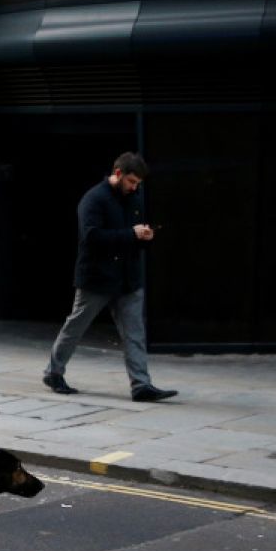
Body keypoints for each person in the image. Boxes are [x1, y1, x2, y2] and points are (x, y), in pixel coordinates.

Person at [43, 152, 177, 403]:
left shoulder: (134, 198)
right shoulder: (93, 199)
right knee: (76, 326)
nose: (135, 187)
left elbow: (133, 237)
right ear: (118, 174)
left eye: (138, 183)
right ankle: (53, 372)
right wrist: (131, 234)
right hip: (97, 278)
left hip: (128, 278)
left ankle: (141, 385)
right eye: (131, 182)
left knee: (135, 333)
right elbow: (92, 238)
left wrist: (144, 237)